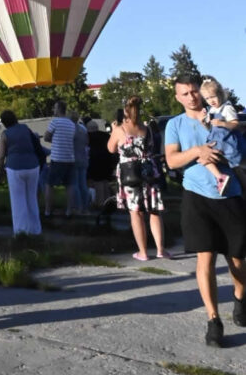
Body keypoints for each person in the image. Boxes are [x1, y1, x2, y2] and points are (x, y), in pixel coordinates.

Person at [165, 74, 246, 347]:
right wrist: (197, 151)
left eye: (194, 92)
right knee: (205, 257)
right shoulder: (175, 124)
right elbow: (172, 160)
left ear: (201, 92)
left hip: (229, 193)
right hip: (196, 195)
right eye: (184, 93)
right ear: (177, 97)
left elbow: (239, 139)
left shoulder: (220, 112)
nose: (191, 97)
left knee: (236, 260)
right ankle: (213, 320)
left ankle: (240, 296)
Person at [107, 96, 168, 261]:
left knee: (136, 212)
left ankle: (143, 252)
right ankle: (161, 249)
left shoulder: (120, 130)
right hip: (149, 171)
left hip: (130, 173)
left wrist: (114, 129)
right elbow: (151, 147)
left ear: (125, 112)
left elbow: (111, 148)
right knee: (154, 211)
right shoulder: (146, 128)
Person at [0, 109, 43, 235]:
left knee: (18, 201)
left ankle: (21, 232)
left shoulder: (5, 134)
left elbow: (1, 155)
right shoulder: (25, 128)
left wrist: (0, 168)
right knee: (31, 199)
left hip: (15, 167)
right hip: (33, 166)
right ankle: (36, 230)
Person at [199, 76, 246, 194]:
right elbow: (210, 128)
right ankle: (220, 178)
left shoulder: (227, 108)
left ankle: (221, 178)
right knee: (202, 157)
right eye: (207, 98)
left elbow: (235, 124)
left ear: (220, 94)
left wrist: (222, 123)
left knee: (204, 158)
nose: (211, 101)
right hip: (217, 142)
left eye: (213, 96)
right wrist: (204, 122)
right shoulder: (212, 110)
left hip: (227, 144)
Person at [43, 100, 76, 217]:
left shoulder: (55, 122)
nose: (53, 110)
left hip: (57, 158)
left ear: (58, 109)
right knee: (70, 185)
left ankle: (48, 210)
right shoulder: (72, 124)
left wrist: (54, 140)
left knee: (49, 184)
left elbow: (46, 137)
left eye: (55, 108)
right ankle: (69, 211)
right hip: (70, 158)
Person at [86, 119, 118, 207]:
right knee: (105, 182)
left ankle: (100, 203)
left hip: (95, 163)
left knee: (98, 183)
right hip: (107, 162)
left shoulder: (88, 136)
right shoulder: (105, 135)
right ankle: (107, 201)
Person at [71, 111, 90, 213]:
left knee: (75, 184)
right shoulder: (83, 129)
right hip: (83, 158)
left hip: (74, 158)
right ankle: (85, 206)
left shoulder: (71, 129)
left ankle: (77, 206)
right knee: (83, 184)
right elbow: (87, 142)